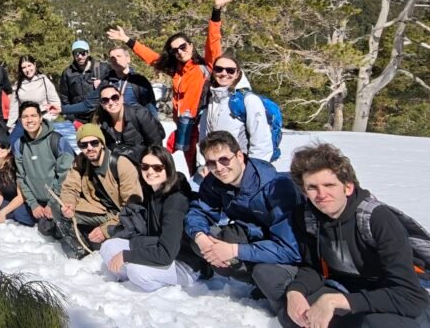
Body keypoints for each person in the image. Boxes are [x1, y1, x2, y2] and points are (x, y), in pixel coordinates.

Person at [281, 143, 430, 328]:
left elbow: (410, 297)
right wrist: (295, 292)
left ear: (348, 187)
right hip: (361, 289)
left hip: (416, 295)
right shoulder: (308, 218)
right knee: (297, 315)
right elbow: (314, 267)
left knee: (376, 324)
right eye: (312, 187)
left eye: (329, 185)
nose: (322, 194)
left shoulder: (376, 218)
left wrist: (335, 301)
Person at [107, 0, 236, 173]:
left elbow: (213, 42)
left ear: (191, 45)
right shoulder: (177, 71)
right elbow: (152, 58)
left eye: (183, 47)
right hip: (183, 126)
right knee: (181, 163)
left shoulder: (205, 67)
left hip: (201, 127)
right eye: (175, 50)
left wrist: (216, 11)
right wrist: (128, 40)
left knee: (204, 165)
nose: (180, 52)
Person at [185, 130, 301, 312]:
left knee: (264, 273)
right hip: (253, 238)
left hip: (288, 253)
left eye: (224, 159)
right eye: (211, 163)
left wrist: (233, 250)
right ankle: (259, 282)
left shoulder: (274, 187)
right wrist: (201, 237)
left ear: (239, 156)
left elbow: (290, 249)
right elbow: (199, 211)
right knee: (203, 242)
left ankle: (283, 290)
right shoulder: (215, 181)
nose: (219, 168)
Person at [99, 146, 203, 292]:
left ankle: (159, 289)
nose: (150, 172)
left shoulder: (175, 201)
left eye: (157, 167)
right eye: (145, 167)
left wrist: (127, 255)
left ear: (168, 168)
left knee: (137, 271)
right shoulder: (152, 191)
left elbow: (166, 253)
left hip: (185, 263)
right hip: (159, 250)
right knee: (108, 247)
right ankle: (132, 283)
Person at [56, 124, 142, 259]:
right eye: (84, 145)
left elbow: (132, 208)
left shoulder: (121, 164)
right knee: (59, 208)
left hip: (123, 217)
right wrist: (69, 204)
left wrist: (105, 230)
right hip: (100, 210)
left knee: (109, 246)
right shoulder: (81, 161)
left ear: (102, 144)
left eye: (94, 143)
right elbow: (70, 187)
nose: (89, 148)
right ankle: (81, 252)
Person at [12, 102, 75, 237]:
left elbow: (65, 176)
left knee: (48, 228)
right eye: (25, 117)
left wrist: (52, 204)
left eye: (33, 116)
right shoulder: (19, 144)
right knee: (19, 214)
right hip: (37, 199)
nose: (29, 120)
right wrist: (33, 204)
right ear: (20, 120)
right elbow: (21, 177)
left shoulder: (56, 140)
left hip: (58, 198)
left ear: (41, 118)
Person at [199, 53, 274, 164]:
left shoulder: (248, 100)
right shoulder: (211, 99)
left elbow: (261, 141)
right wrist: (205, 163)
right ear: (213, 71)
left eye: (230, 70)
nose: (224, 73)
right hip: (217, 165)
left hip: (241, 166)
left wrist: (255, 168)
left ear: (237, 74)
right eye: (219, 69)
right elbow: (205, 136)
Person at [93, 84, 165, 164]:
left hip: (143, 165)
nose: (111, 102)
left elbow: (156, 146)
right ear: (102, 105)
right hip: (120, 167)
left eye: (115, 97)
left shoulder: (140, 114)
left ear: (122, 98)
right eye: (105, 100)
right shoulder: (103, 124)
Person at [58, 39, 106, 147]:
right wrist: (73, 120)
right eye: (76, 53)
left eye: (83, 53)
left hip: (99, 116)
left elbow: (112, 88)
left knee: (101, 144)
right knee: (85, 146)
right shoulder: (68, 73)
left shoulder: (101, 68)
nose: (80, 56)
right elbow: (65, 99)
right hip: (79, 119)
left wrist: (102, 85)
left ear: (88, 53)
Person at [7, 55, 62, 142]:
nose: (27, 70)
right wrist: (11, 127)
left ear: (34, 65)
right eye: (24, 67)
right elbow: (13, 109)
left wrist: (46, 119)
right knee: (12, 143)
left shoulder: (44, 80)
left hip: (42, 120)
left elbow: (56, 104)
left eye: (29, 65)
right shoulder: (17, 85)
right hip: (24, 122)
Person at [0, 132, 34, 226]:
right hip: (9, 198)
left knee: (19, 213)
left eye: (3, 146)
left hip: (25, 199)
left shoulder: (16, 165)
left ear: (8, 149)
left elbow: (22, 196)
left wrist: (4, 211)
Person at [104, 45, 159, 118]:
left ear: (128, 59)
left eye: (119, 56)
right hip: (111, 123)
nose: (115, 60)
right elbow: (92, 104)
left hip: (134, 123)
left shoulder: (139, 81)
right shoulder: (106, 81)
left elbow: (150, 108)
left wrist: (154, 124)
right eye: (112, 58)